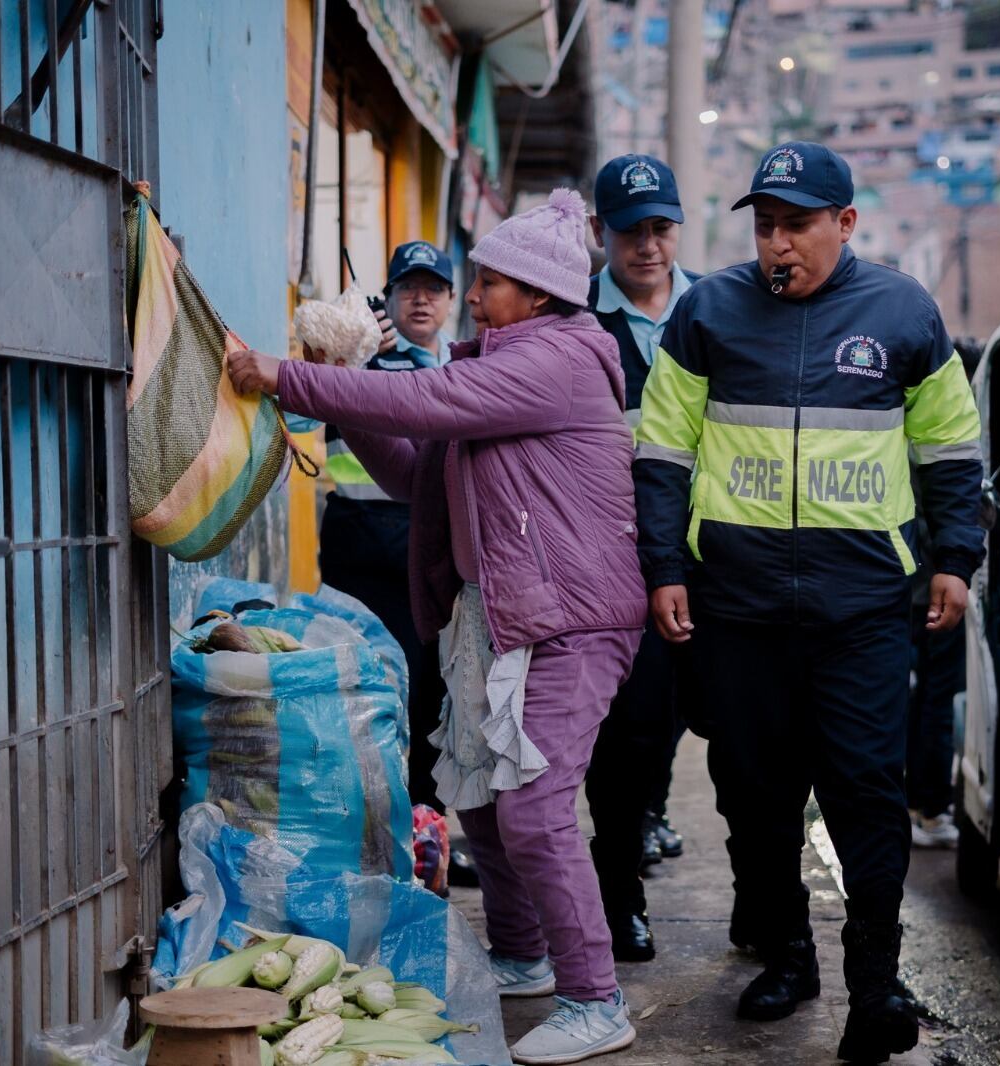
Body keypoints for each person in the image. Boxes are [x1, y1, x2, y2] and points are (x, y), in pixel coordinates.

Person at [227, 189, 649, 1065]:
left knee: (534, 812)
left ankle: (597, 997)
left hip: (570, 619)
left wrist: (281, 374)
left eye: (489, 281)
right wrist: (341, 399)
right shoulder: (501, 363)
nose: (476, 292)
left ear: (535, 294)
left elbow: (433, 402)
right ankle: (524, 954)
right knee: (485, 806)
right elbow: (421, 469)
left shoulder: (561, 357)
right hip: (501, 618)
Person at [632, 142, 984, 1063]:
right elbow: (663, 451)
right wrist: (665, 566)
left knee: (868, 789)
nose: (776, 243)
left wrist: (956, 556)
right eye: (764, 225)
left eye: (796, 225)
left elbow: (950, 447)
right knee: (755, 794)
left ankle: (876, 983)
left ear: (846, 224)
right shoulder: (708, 310)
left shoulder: (904, 312)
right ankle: (787, 954)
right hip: (738, 607)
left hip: (863, 607)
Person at [582, 153, 701, 963]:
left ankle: (770, 911)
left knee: (718, 737)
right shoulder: (574, 323)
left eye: (660, 228)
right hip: (615, 567)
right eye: (631, 232)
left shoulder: (721, 312)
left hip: (713, 560)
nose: (648, 246)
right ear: (602, 235)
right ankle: (620, 898)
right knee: (620, 742)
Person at [317, 243, 464, 840]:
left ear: (454, 301)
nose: (420, 299)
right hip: (366, 555)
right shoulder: (360, 362)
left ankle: (426, 830)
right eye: (408, 288)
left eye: (433, 288)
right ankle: (379, 828)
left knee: (436, 696)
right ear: (390, 299)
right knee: (375, 694)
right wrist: (345, 361)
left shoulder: (465, 367)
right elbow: (302, 416)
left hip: (437, 557)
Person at [906, 339, 982, 849]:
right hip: (933, 586)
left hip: (908, 584)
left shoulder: (908, 423)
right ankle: (930, 808)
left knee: (914, 698)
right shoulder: (946, 435)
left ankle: (918, 803)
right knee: (936, 697)